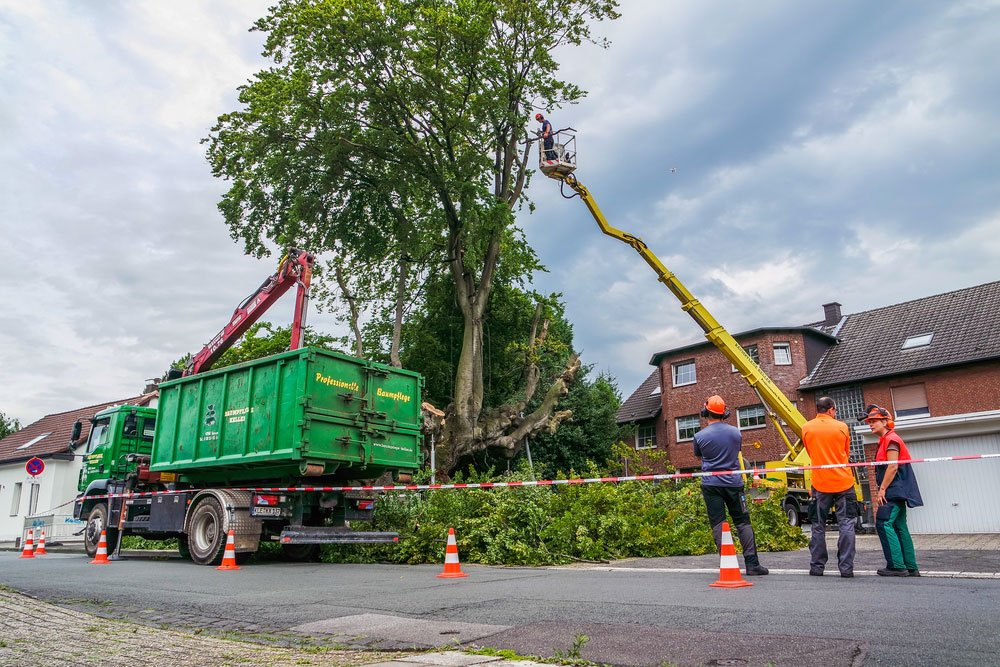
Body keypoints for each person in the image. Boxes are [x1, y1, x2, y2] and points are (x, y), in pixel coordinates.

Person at [692, 395, 769, 576]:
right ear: (725, 413)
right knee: (743, 522)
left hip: (711, 485)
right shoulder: (736, 433)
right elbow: (737, 451)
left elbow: (699, 456)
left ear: (705, 412)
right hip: (734, 484)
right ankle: (752, 564)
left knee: (718, 523)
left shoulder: (699, 436)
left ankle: (726, 561)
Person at [860, 405, 923, 577]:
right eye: (869, 422)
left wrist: (882, 490)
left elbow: (893, 466)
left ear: (885, 422)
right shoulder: (886, 440)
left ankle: (896, 566)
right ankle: (911, 567)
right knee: (899, 526)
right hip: (898, 490)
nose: (870, 425)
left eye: (873, 421)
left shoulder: (891, 439)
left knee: (883, 522)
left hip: (894, 491)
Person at [801, 396, 857, 578]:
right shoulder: (842, 427)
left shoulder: (807, 428)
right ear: (831, 410)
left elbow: (811, 452)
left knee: (818, 525)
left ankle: (817, 567)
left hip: (820, 483)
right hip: (844, 482)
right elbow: (845, 453)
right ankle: (846, 568)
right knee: (846, 524)